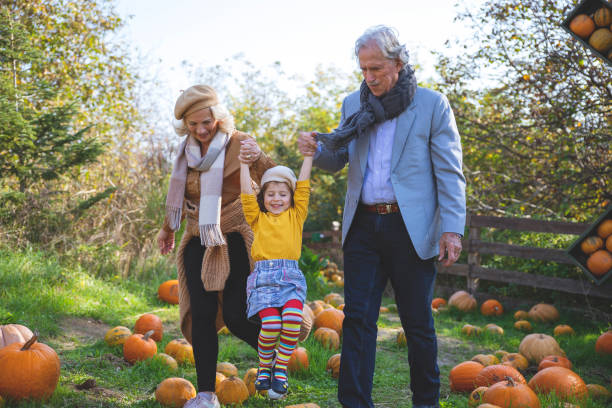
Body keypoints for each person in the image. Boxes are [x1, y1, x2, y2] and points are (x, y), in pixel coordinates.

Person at [298, 25, 466, 408]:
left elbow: (449, 172)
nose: (369, 77)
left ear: (398, 62)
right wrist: (313, 149)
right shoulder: (351, 105)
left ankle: (426, 401)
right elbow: (336, 160)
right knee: (357, 319)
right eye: (363, 70)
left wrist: (452, 230)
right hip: (362, 227)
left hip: (411, 229)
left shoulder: (431, 104)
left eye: (376, 68)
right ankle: (355, 402)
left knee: (417, 322)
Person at [157, 84, 276, 408]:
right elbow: (180, 198)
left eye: (205, 122)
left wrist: (260, 157)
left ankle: (275, 353)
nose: (200, 130)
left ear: (218, 117)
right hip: (198, 236)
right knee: (202, 313)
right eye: (192, 125)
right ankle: (207, 395)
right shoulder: (185, 153)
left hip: (236, 234)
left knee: (238, 316)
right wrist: (167, 229)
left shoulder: (240, 143)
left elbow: (274, 178)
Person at [239, 145, 313, 398]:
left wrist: (308, 156)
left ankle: (279, 369)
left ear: (291, 198)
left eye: (283, 194)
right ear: (263, 197)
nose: (277, 199)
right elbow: (246, 194)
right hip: (263, 279)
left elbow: (303, 185)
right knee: (270, 325)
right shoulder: (257, 218)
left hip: (289, 278)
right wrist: (243, 165)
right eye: (271, 194)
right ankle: (264, 367)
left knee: (292, 320)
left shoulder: (296, 215)